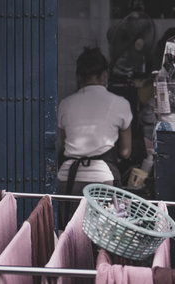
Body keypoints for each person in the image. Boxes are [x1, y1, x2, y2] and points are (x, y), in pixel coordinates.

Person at [56, 47, 133, 229]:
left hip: (67, 179)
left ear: (78, 76)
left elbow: (64, 141)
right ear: (105, 75)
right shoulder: (120, 103)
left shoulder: (65, 104)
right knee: (106, 234)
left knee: (70, 234)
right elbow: (125, 152)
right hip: (102, 178)